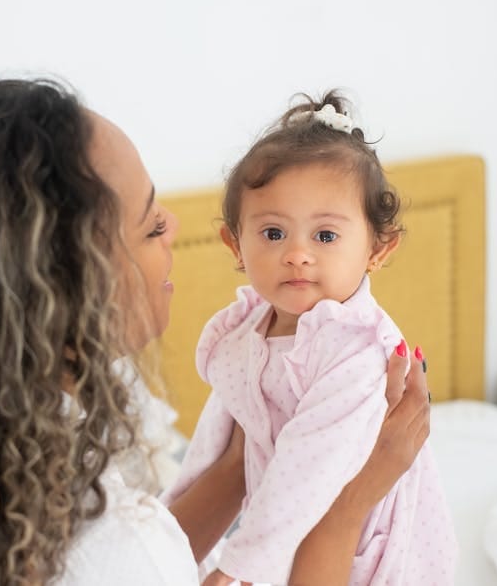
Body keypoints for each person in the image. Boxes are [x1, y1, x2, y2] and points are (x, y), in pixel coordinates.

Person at [0, 79, 432, 585]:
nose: (175, 229)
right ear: (63, 284)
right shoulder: (103, 549)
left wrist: (240, 463)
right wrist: (357, 496)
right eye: (148, 221)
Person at [161, 92, 457, 585]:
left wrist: (233, 572)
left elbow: (303, 474)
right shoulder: (245, 334)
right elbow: (212, 452)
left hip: (360, 543)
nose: (297, 254)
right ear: (235, 243)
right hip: (281, 537)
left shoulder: (355, 350)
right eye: (274, 234)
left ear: (378, 250)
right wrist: (164, 549)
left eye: (324, 236)